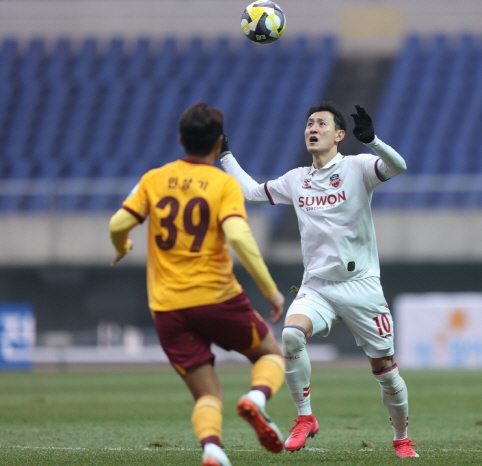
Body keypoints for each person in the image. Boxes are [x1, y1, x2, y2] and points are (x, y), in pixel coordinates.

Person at [219, 103, 419, 458]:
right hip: (318, 287)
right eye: (309, 123)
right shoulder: (296, 179)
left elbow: (398, 166)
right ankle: (305, 418)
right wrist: (225, 154)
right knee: (292, 335)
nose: (312, 128)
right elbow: (250, 192)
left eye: (321, 123)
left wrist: (373, 141)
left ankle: (401, 438)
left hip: (361, 287)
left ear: (339, 135)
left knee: (386, 372)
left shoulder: (357, 167)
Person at [109, 102, 287, 466]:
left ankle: (212, 448)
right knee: (269, 355)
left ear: (180, 140)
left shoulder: (153, 179)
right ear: (219, 141)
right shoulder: (223, 184)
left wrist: (123, 246)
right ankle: (256, 398)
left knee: (207, 394)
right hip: (217, 297)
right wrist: (270, 290)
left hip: (168, 308)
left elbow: (117, 224)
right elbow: (239, 237)